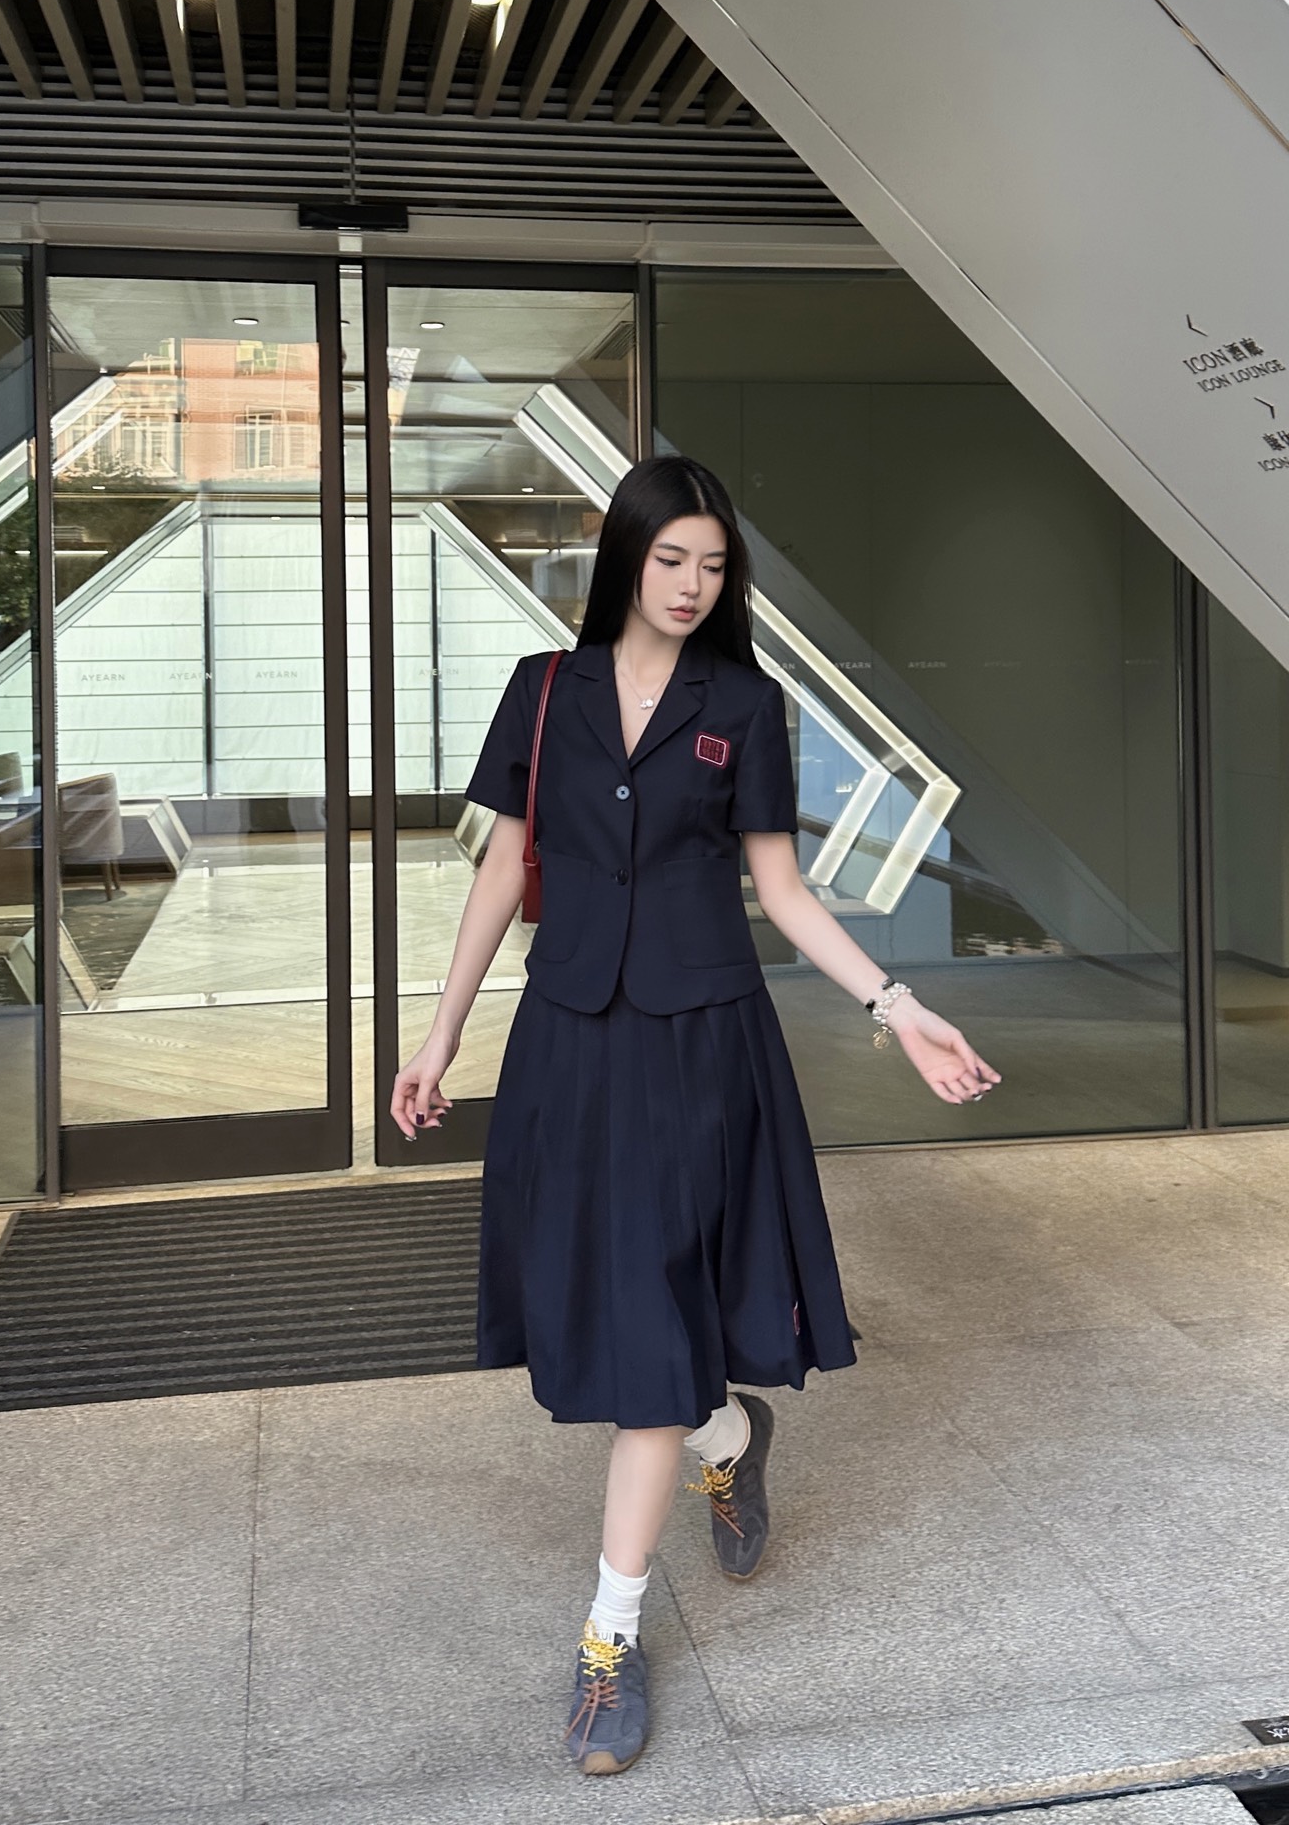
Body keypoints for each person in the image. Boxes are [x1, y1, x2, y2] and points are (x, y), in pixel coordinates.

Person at [389, 455, 1001, 1777]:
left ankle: (608, 1638)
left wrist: (898, 1008)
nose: (692, 584)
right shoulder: (543, 691)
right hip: (569, 1037)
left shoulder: (746, 704)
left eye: (714, 567)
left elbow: (782, 889)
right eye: (672, 559)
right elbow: (506, 869)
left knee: (654, 1312)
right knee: (610, 1302)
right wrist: (441, 1035)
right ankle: (728, 1430)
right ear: (625, 557)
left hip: (701, 1042)